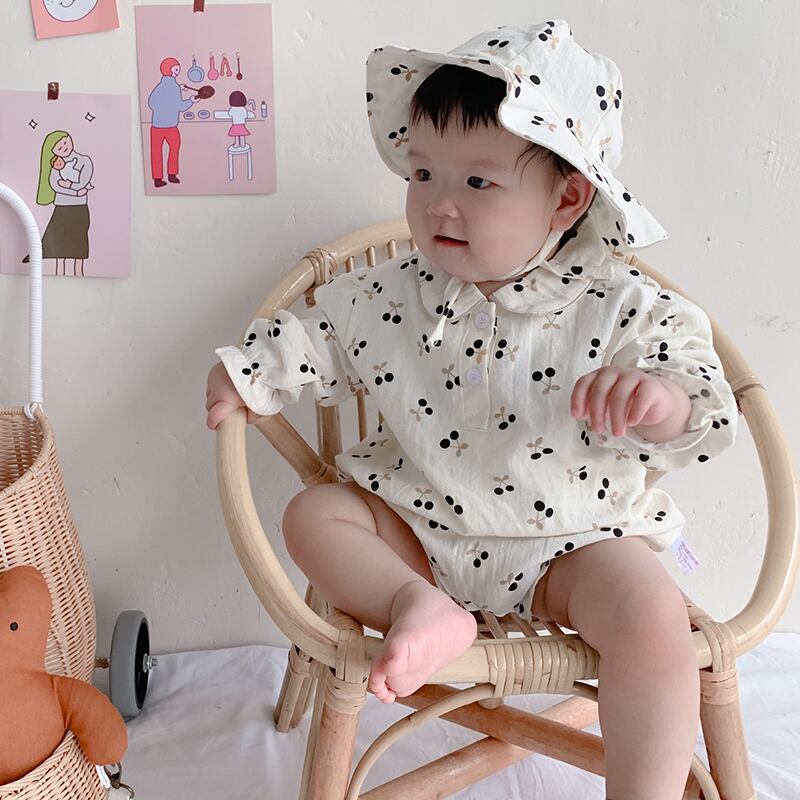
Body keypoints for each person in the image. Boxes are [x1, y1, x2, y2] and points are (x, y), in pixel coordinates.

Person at [206, 21, 738, 799]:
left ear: (567, 197)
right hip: (416, 535)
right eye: (423, 173)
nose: (438, 205)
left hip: (570, 544)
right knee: (314, 515)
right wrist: (251, 372)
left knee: (654, 621)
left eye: (477, 183)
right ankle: (417, 607)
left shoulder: (623, 305)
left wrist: (658, 400)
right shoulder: (393, 290)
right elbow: (318, 333)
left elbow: (704, 400)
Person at [32, 130, 94, 277]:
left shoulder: (84, 160)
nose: (64, 148)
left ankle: (79, 272)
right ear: (53, 152)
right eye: (59, 147)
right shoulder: (56, 165)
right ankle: (59, 272)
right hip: (61, 207)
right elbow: (55, 184)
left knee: (79, 239)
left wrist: (69, 186)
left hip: (79, 207)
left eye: (65, 142)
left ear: (70, 138)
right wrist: (76, 191)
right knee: (60, 242)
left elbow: (83, 181)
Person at [147, 57, 198, 188]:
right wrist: (191, 100)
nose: (177, 72)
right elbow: (180, 106)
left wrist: (177, 90)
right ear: (169, 70)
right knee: (174, 149)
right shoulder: (173, 87)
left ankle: (157, 179)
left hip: (156, 126)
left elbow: (151, 103)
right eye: (175, 70)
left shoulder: (160, 86)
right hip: (170, 126)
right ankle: (172, 174)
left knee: (156, 152)